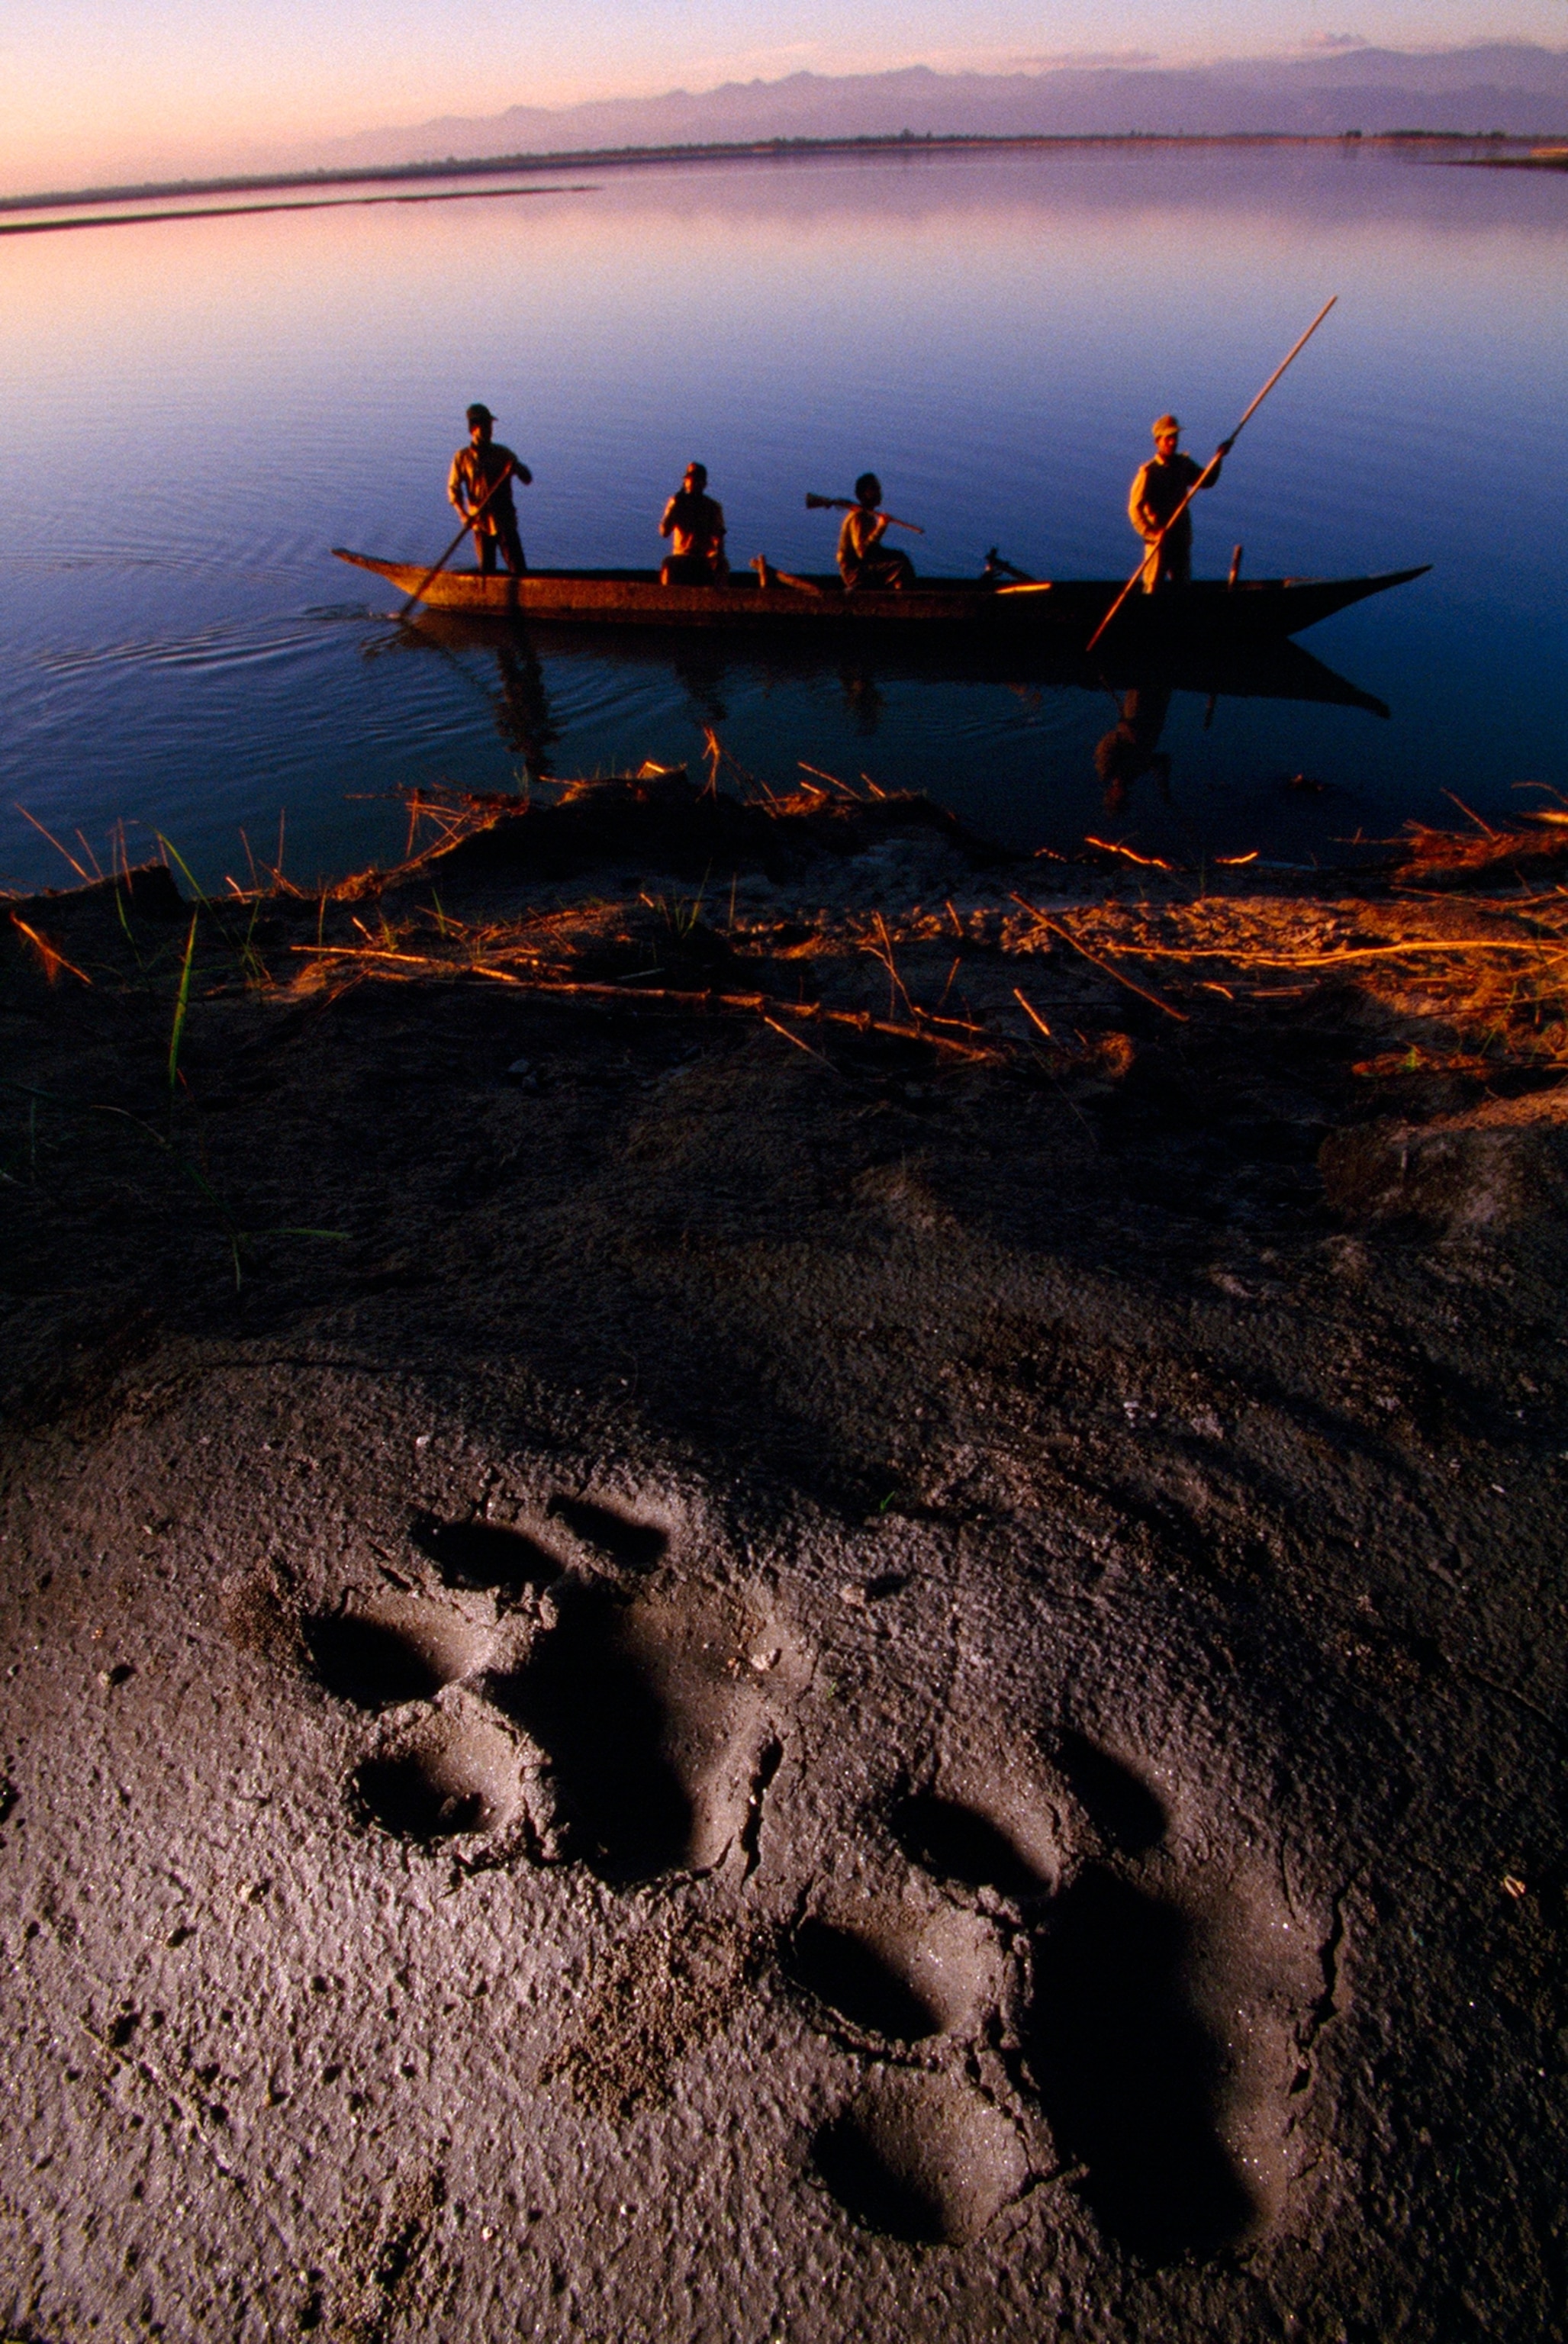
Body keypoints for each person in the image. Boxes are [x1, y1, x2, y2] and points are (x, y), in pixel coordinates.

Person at [1127, 415, 1232, 593]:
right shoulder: (1148, 472)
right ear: (1158, 441)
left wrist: (1219, 458)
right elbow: (1134, 509)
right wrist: (1152, 533)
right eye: (1168, 438)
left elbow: (1206, 480)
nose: (1173, 442)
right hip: (1158, 544)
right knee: (1153, 590)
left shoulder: (1183, 464)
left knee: (1182, 588)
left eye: (1175, 437)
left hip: (1180, 540)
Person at [448, 403, 532, 575]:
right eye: (485, 426)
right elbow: (453, 490)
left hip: (505, 522)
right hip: (480, 523)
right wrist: (463, 515)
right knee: (487, 573)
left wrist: (516, 468)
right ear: (473, 429)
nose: (489, 430)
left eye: (490, 426)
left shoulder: (503, 454)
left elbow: (527, 478)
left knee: (519, 571)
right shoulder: (462, 458)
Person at [837, 474, 916, 591]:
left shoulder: (869, 515)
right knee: (901, 567)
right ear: (864, 495)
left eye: (879, 489)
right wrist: (881, 527)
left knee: (901, 557)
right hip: (854, 573)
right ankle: (901, 600)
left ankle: (900, 593)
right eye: (874, 490)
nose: (879, 493)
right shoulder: (858, 517)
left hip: (863, 567)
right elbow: (863, 553)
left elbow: (874, 550)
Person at [658, 462, 728, 584]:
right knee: (668, 564)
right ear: (685, 482)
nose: (692, 483)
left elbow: (719, 538)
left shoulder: (712, 507)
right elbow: (664, 532)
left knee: (722, 565)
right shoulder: (677, 503)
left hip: (703, 558)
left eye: (697, 480)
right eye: (689, 479)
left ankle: (719, 598)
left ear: (704, 484)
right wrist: (674, 508)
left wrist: (717, 555)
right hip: (681, 556)